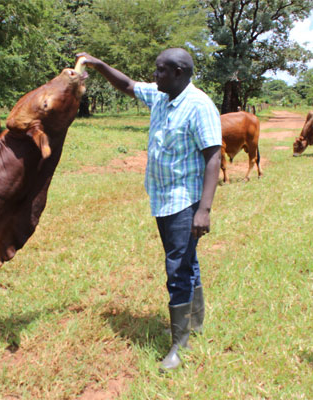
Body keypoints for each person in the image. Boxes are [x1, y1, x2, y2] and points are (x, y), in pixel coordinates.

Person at [76, 49, 222, 371]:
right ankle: (195, 323)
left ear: (180, 72)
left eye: (160, 71)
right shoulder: (160, 97)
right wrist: (98, 65)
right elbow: (127, 84)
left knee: (177, 269)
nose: (154, 76)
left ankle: (179, 345)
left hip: (185, 200)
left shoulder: (199, 106)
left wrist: (205, 210)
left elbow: (214, 156)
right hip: (162, 198)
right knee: (185, 259)